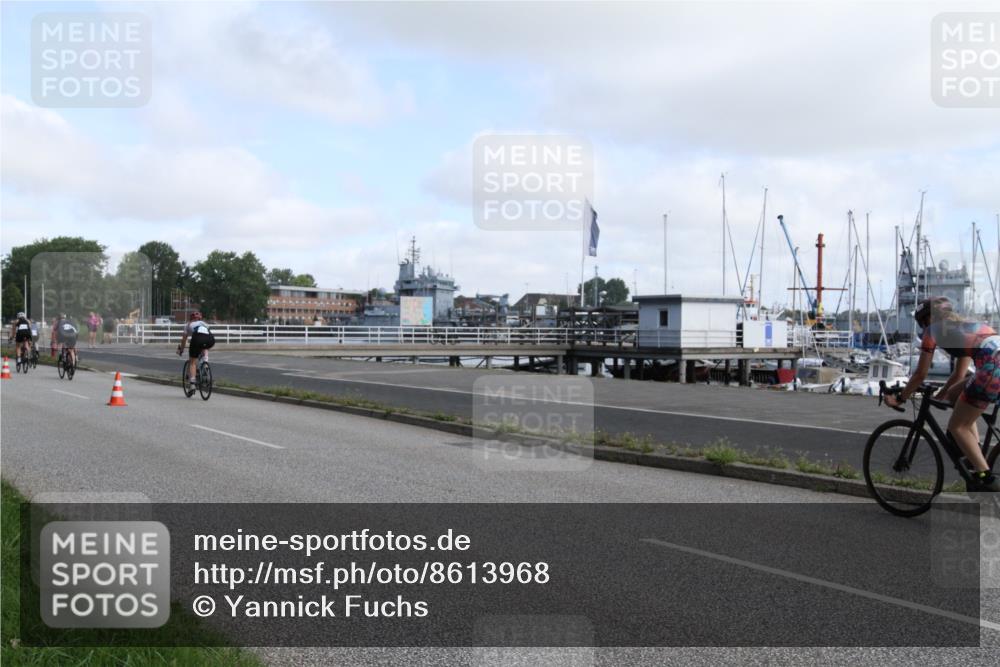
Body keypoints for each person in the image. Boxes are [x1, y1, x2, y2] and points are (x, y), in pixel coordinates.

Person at [885, 296, 1000, 491]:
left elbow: (920, 374)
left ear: (928, 319)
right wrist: (942, 395)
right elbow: (959, 374)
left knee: (957, 427)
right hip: (992, 366)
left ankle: (985, 478)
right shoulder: (964, 326)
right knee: (957, 398)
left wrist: (900, 398)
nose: (923, 328)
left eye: (922, 323)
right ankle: (974, 453)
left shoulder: (933, 331)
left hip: (990, 369)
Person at [177, 311, 215, 389]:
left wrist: (181, 350)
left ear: (190, 318)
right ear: (200, 318)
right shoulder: (203, 323)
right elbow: (207, 333)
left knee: (192, 362)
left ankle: (192, 384)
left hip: (197, 339)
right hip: (210, 339)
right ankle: (205, 363)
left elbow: (184, 340)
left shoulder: (188, 325)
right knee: (205, 346)